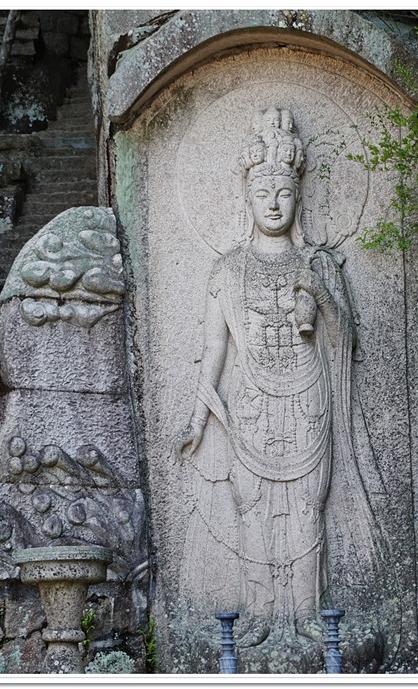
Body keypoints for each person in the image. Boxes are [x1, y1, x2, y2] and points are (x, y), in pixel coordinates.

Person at [174, 107, 358, 647]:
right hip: (250, 403)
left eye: (283, 193)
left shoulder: (319, 263)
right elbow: (214, 348)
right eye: (262, 194)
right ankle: (257, 614)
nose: (273, 204)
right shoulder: (228, 268)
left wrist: (319, 293)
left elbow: (347, 339)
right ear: (247, 198)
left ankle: (306, 613)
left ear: (299, 197)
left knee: (308, 506)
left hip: (308, 399)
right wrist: (197, 420)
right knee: (250, 504)